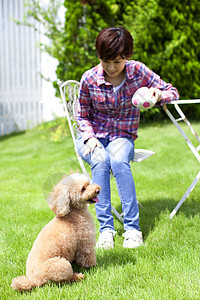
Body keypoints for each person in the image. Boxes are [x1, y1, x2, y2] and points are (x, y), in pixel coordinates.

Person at [75, 27, 179, 249]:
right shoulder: (89, 79)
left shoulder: (138, 72)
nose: (111, 68)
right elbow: (82, 116)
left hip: (123, 136)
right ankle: (106, 231)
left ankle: (132, 229)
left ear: (127, 57)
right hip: (92, 137)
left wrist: (160, 95)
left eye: (117, 62)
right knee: (100, 161)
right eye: (105, 61)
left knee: (119, 159)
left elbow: (172, 91)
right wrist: (90, 137)